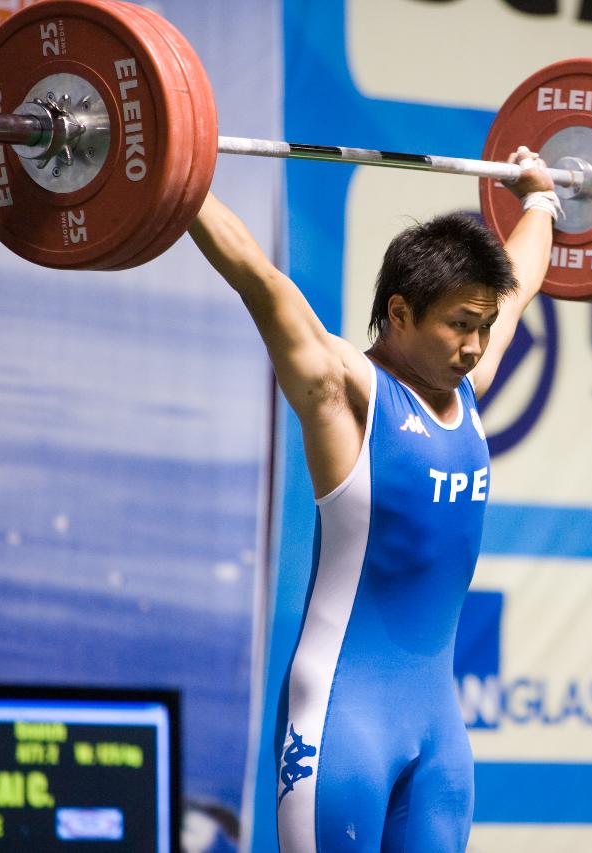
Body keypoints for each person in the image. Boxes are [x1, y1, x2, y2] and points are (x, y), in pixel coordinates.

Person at [189, 148, 558, 852]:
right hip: (340, 722)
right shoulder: (345, 392)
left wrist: (540, 199)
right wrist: (175, 182)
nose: (477, 345)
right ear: (400, 311)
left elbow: (523, 285)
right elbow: (259, 282)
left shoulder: (467, 390)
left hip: (437, 730)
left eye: (482, 325)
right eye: (459, 325)